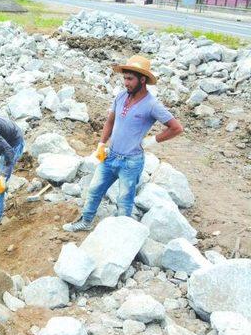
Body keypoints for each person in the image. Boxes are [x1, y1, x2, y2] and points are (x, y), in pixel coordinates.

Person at [63, 55, 184, 232]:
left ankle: (121, 234)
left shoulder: (152, 104)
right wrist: (101, 143)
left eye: (130, 79)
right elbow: (110, 122)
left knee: (124, 200)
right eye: (124, 78)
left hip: (131, 162)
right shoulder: (121, 97)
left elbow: (176, 128)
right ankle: (86, 222)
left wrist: (153, 141)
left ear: (142, 80)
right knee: (95, 190)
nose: (126, 83)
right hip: (110, 156)